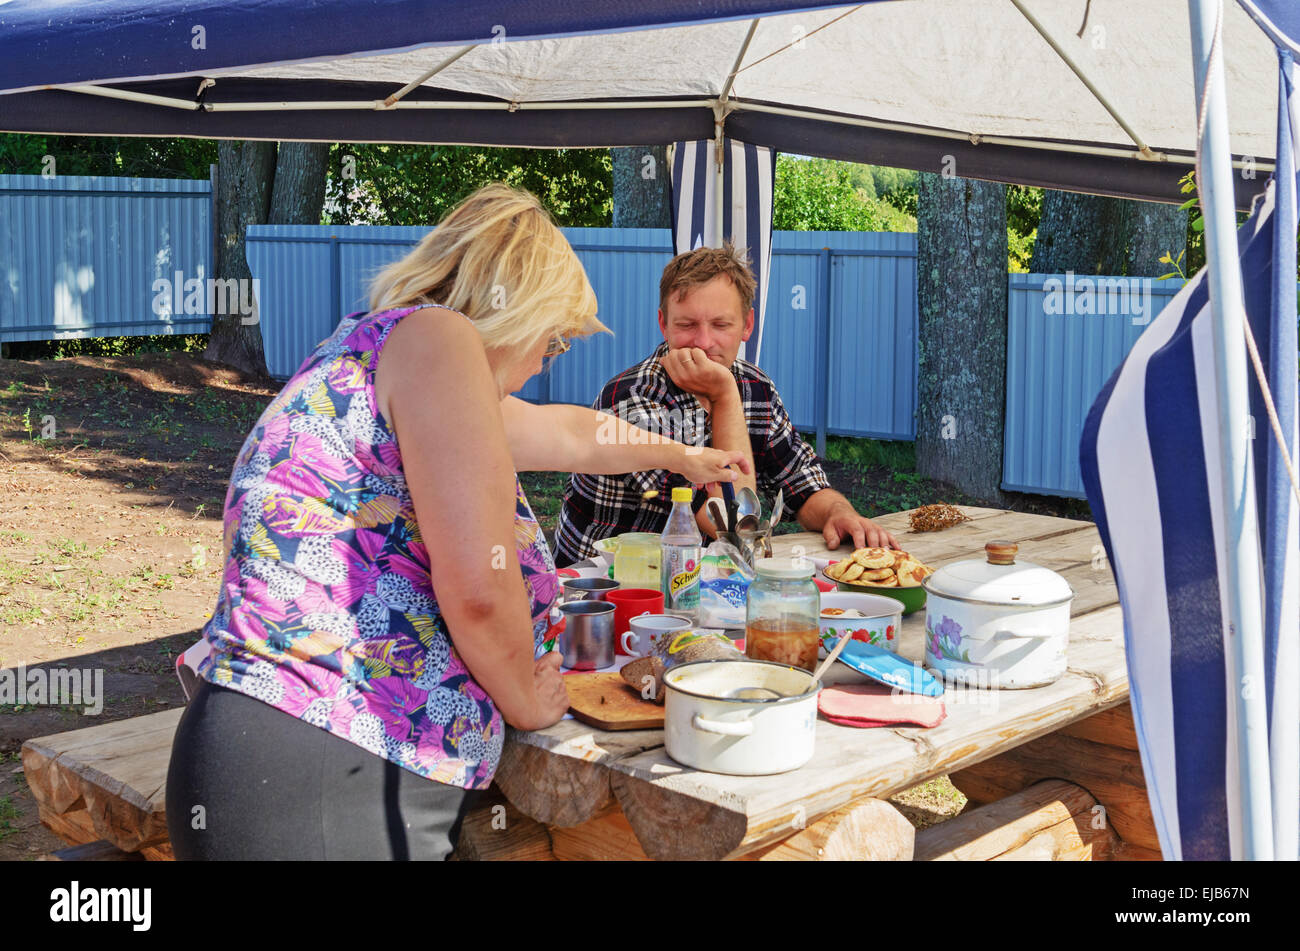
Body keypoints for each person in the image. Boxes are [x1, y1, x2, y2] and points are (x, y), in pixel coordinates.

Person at [165, 184, 748, 861]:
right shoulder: (441, 342)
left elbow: (566, 434)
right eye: (553, 340)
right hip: (328, 773)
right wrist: (524, 696)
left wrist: (684, 454)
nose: (543, 363)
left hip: (279, 759)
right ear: (516, 305)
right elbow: (476, 586)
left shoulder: (388, 350)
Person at [555, 242, 898, 566]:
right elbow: (736, 527)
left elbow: (799, 480)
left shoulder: (757, 387)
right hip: (605, 590)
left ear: (747, 325)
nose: (704, 342)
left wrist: (839, 512)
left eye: (721, 324)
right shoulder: (632, 398)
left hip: (700, 583)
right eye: (687, 325)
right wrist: (725, 395)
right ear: (663, 324)